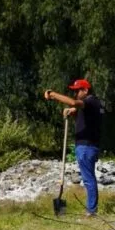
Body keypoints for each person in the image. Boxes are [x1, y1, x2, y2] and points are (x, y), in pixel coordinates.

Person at [44, 79, 104, 215]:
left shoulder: (90, 101)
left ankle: (91, 211)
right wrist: (73, 112)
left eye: (77, 91)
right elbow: (82, 114)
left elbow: (73, 102)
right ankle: (91, 209)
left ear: (86, 90)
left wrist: (53, 95)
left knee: (89, 180)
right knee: (89, 178)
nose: (75, 93)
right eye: (74, 91)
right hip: (88, 146)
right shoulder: (94, 104)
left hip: (86, 147)